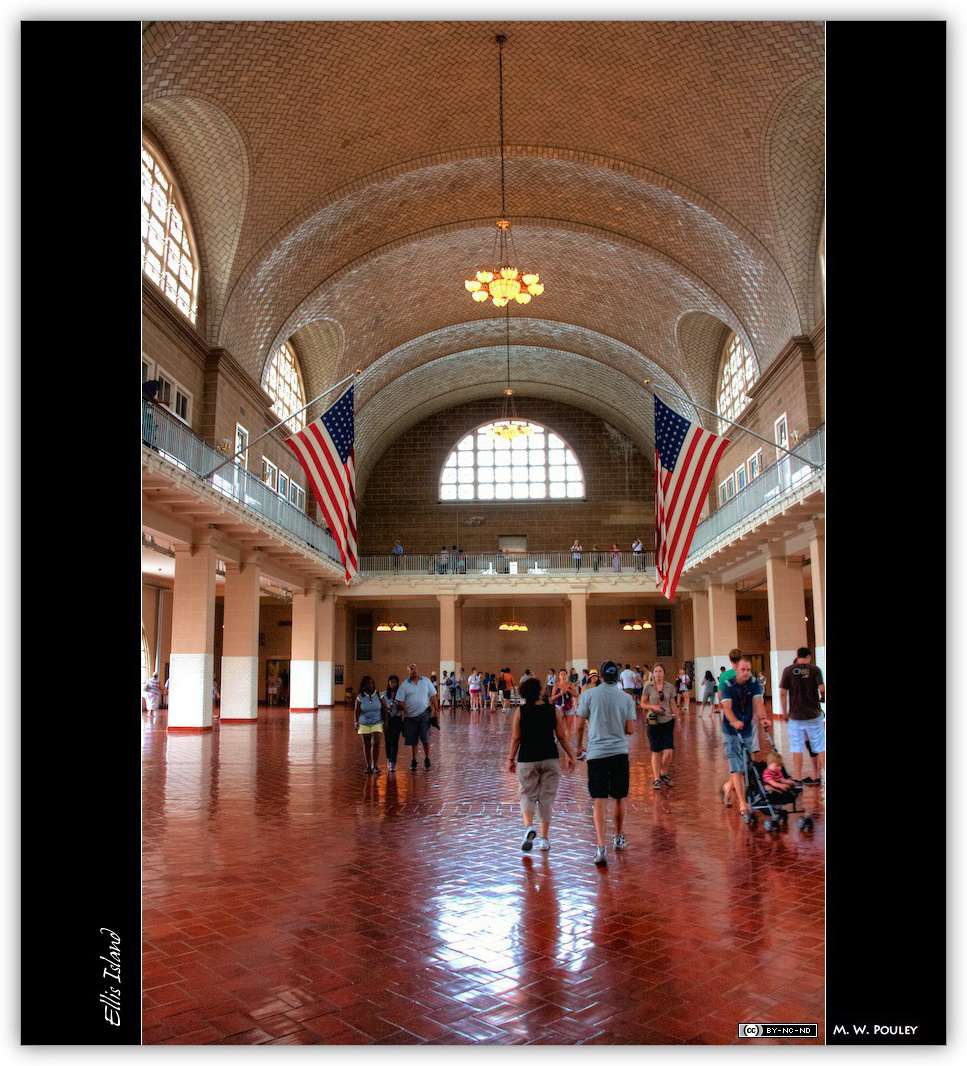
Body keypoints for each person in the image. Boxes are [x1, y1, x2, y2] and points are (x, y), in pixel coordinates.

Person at [575, 660, 636, 865]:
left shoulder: (588, 695)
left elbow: (579, 726)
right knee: (619, 797)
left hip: (596, 754)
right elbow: (631, 730)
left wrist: (578, 747)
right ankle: (618, 836)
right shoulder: (626, 698)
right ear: (617, 677)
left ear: (600, 676)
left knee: (599, 800)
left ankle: (601, 847)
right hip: (619, 753)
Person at [507, 676, 577, 851]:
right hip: (549, 758)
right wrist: (570, 755)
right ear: (539, 691)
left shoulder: (520, 712)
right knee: (546, 799)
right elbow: (561, 736)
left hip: (527, 758)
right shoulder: (552, 710)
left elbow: (516, 738)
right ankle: (544, 839)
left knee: (527, 795)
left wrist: (510, 759)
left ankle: (529, 827)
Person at [719, 657, 769, 822]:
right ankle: (742, 803)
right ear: (737, 670)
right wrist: (734, 721)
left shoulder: (753, 684)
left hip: (746, 729)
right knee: (736, 767)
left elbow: (758, 702)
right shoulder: (728, 686)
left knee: (747, 765)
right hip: (730, 731)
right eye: (743, 670)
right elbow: (726, 708)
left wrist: (763, 718)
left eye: (748, 670)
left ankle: (728, 787)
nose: (746, 673)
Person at [778, 647, 826, 786]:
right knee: (820, 746)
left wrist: (784, 712)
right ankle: (824, 775)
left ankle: (798, 779)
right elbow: (822, 689)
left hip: (796, 716)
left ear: (797, 656)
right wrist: (822, 698)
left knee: (797, 748)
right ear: (809, 656)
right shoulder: (815, 669)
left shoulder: (788, 670)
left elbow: (782, 693)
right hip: (814, 715)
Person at [640, 663, 678, 789]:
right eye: (655, 671)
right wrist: (653, 707)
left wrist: (678, 719)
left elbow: (673, 704)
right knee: (655, 750)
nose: (658, 674)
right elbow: (643, 704)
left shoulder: (670, 687)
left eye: (660, 671)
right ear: (652, 673)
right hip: (653, 721)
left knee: (668, 751)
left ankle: (663, 772)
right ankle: (657, 778)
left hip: (667, 720)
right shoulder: (648, 687)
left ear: (664, 673)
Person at [397, 662, 439, 771]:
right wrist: (406, 709)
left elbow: (433, 695)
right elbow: (400, 701)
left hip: (424, 714)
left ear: (417, 670)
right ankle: (414, 760)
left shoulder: (425, 681)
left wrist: (436, 709)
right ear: (408, 671)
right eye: (411, 669)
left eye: (415, 669)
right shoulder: (404, 685)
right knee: (413, 740)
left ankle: (427, 758)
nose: (413, 671)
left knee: (425, 738)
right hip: (410, 717)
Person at [354, 675, 386, 774]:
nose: (371, 685)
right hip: (364, 722)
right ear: (364, 685)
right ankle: (368, 765)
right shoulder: (360, 697)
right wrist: (356, 722)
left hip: (377, 721)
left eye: (372, 683)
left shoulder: (379, 695)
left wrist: (386, 721)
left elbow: (384, 708)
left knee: (376, 741)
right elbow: (357, 710)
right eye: (368, 683)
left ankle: (375, 765)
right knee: (366, 744)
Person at [551, 668, 581, 750]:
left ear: (567, 675)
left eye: (564, 674)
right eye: (561, 674)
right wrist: (560, 693)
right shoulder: (556, 685)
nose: (563, 676)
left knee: (569, 725)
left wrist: (568, 690)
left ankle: (566, 743)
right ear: (559, 676)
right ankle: (558, 739)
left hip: (568, 706)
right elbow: (552, 698)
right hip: (559, 706)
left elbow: (576, 694)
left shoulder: (570, 684)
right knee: (559, 725)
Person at [381, 674, 404, 771]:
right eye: (391, 681)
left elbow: (404, 706)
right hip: (388, 719)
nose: (393, 684)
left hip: (397, 719)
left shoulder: (401, 694)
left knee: (395, 741)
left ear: (397, 683)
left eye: (395, 682)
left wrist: (400, 707)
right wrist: (386, 709)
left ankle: (393, 761)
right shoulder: (383, 694)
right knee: (387, 741)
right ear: (388, 683)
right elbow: (381, 707)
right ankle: (388, 759)